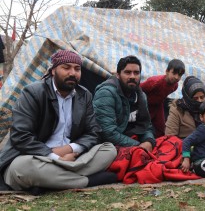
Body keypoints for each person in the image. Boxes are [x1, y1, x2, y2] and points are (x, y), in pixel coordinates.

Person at [0, 50, 117, 193]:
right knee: (21, 168)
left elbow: (94, 132)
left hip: (71, 157)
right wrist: (55, 156)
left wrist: (71, 150)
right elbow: (21, 136)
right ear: (53, 70)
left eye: (77, 69)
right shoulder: (32, 92)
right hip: (36, 156)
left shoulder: (84, 95)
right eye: (66, 67)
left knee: (108, 149)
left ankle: (49, 182)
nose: (72, 73)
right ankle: (86, 181)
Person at [93, 55, 156, 152]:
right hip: (109, 145)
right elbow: (107, 132)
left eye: (136, 73)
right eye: (127, 72)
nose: (132, 76)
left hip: (135, 141)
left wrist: (149, 141)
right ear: (118, 75)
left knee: (173, 143)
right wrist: (138, 146)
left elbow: (146, 125)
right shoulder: (106, 93)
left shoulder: (141, 96)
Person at [140, 59, 185, 138]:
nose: (176, 77)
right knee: (143, 126)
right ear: (167, 71)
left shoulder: (175, 86)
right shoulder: (155, 82)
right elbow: (139, 89)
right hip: (144, 105)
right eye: (174, 73)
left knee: (161, 128)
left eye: (180, 75)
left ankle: (158, 145)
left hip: (158, 105)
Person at [181, 100, 205, 177]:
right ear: (201, 117)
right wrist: (186, 159)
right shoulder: (203, 129)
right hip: (200, 163)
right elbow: (186, 141)